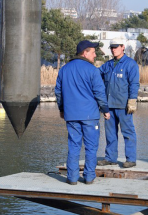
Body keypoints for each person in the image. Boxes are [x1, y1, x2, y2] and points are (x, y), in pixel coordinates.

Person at [55, 40, 110, 185]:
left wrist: (61, 109)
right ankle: (89, 177)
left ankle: (72, 178)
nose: (95, 54)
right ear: (85, 52)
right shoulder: (92, 70)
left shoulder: (64, 69)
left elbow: (59, 92)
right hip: (89, 116)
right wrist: (105, 110)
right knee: (91, 147)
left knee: (74, 146)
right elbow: (99, 92)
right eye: (93, 52)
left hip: (71, 115)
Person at [98, 38, 139, 168]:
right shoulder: (107, 65)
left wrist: (132, 101)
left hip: (123, 105)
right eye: (112, 47)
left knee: (128, 133)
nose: (113, 49)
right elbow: (96, 76)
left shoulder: (130, 64)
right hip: (109, 106)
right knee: (110, 134)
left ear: (122, 47)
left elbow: (134, 84)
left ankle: (131, 159)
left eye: (116, 47)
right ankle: (110, 158)